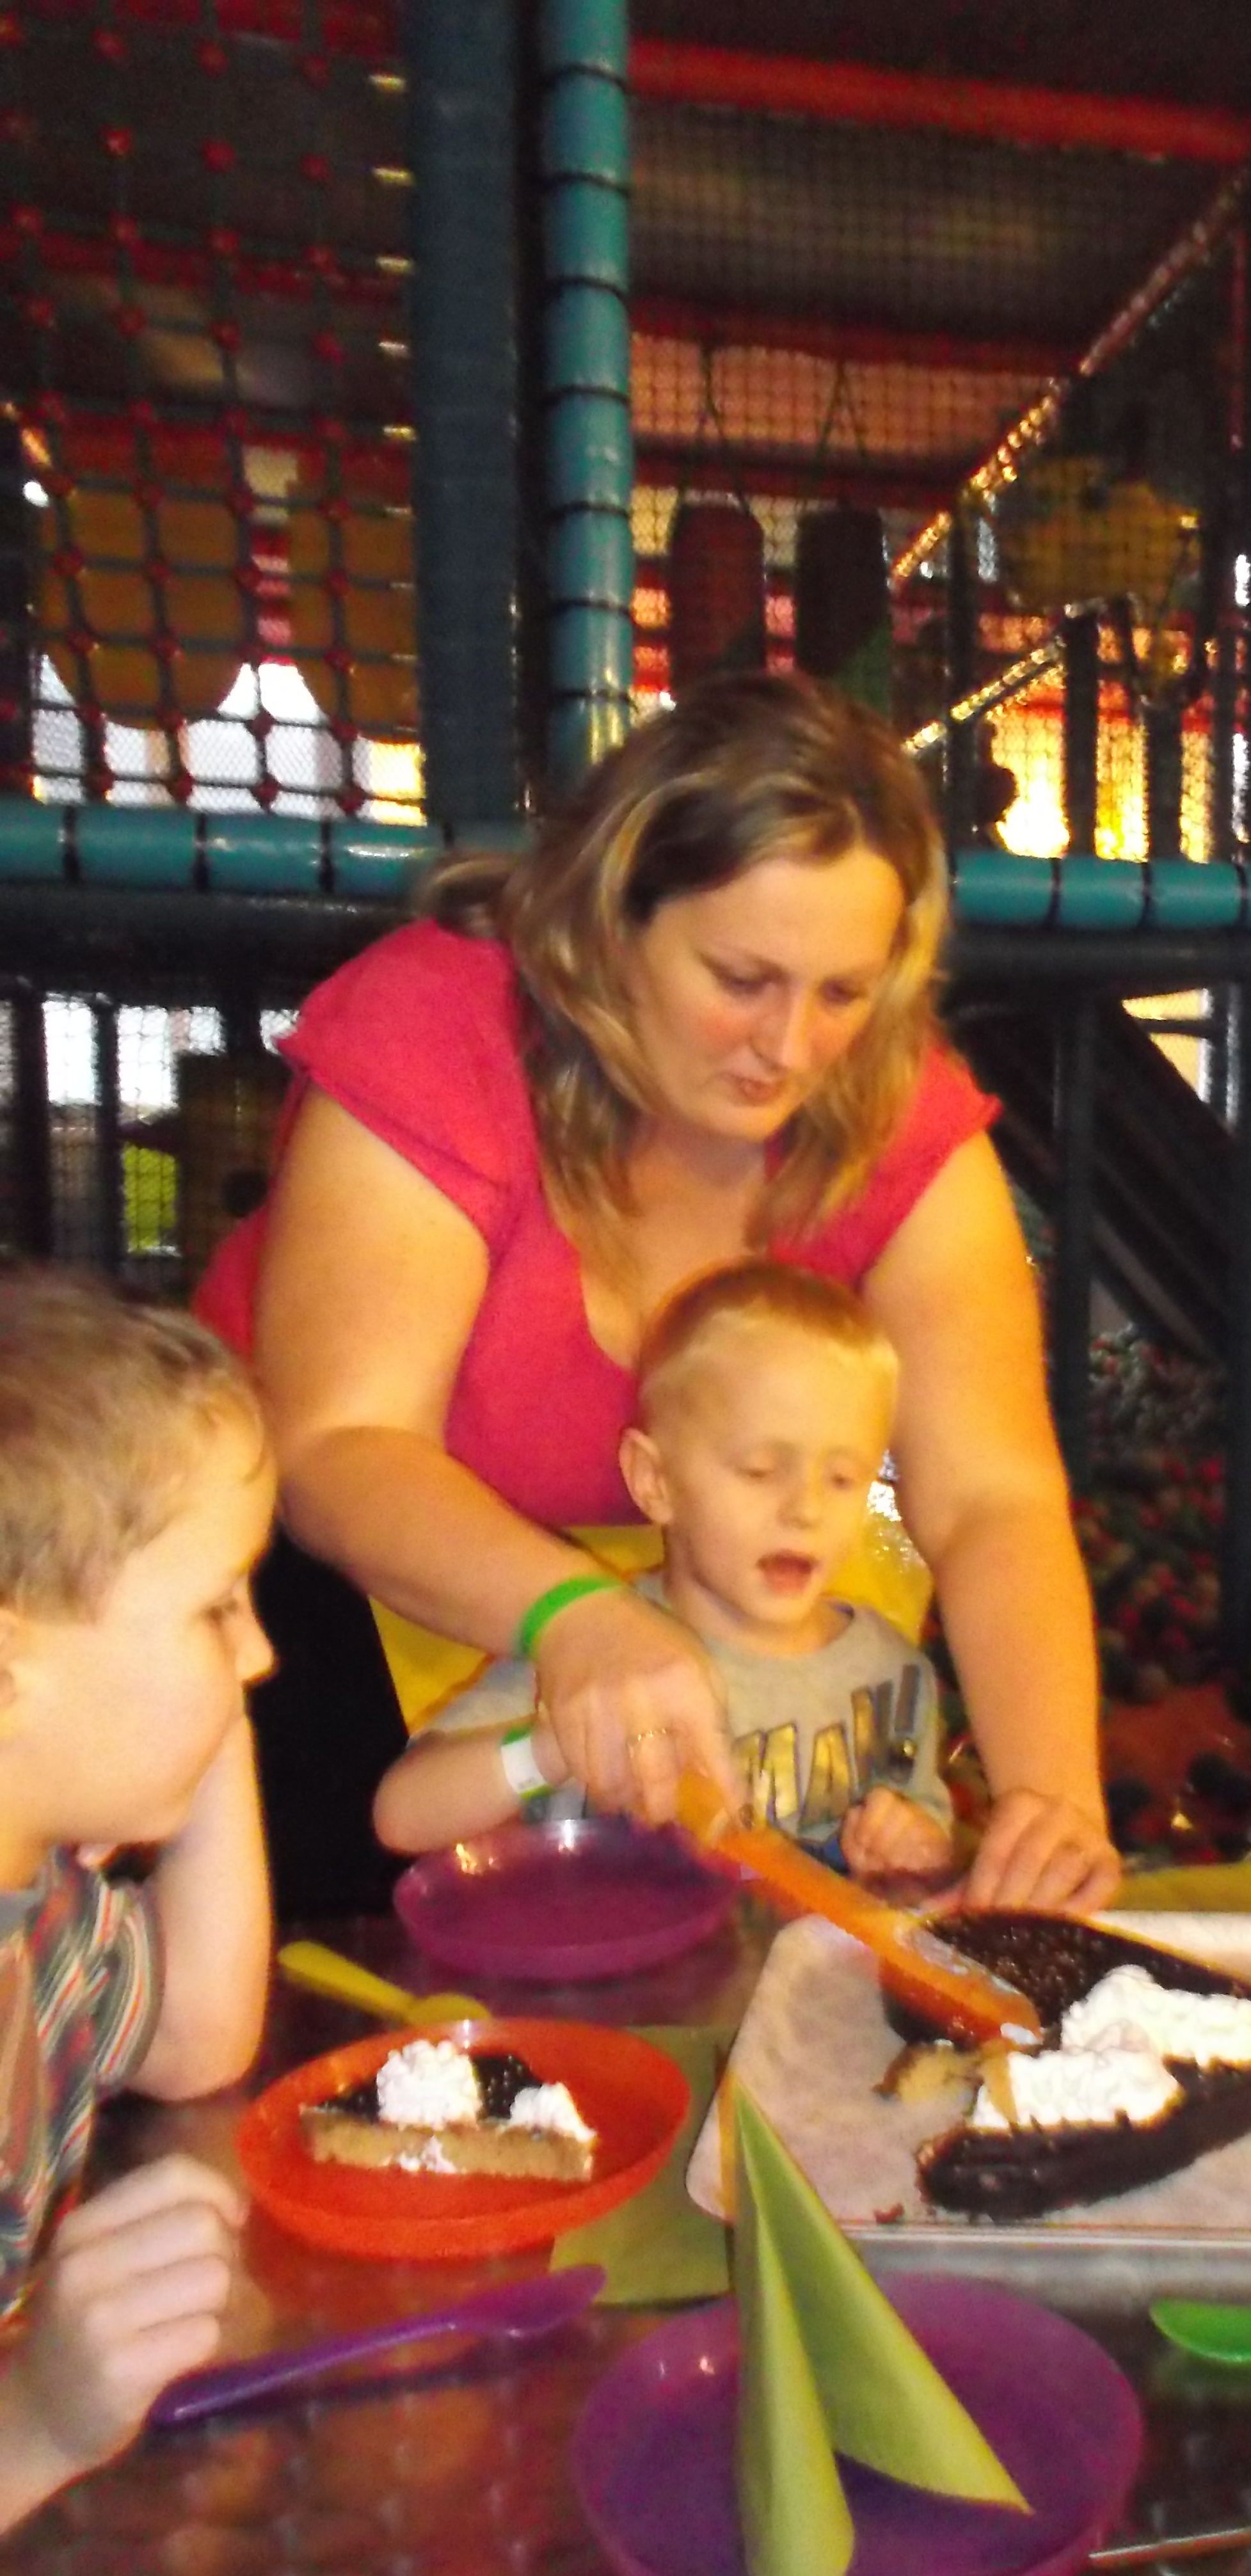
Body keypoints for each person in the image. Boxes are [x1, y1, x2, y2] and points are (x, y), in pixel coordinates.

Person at [198, 674, 1115, 1918]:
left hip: (658, 1592)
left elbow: (992, 1492)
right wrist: (575, 1615)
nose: (789, 1047)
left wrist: (1053, 1800)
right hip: (309, 1586)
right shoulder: (441, 1026)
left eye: (843, 993)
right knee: (354, 1952)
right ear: (612, 922)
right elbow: (339, 1445)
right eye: (742, 977)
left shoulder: (895, 1101)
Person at [375, 1260, 956, 1886]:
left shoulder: (893, 1675)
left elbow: (927, 1844)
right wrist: (550, 1749)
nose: (806, 1510)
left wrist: (912, 1844)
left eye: (843, 1479)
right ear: (656, 1482)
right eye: (761, 1471)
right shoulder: (603, 1658)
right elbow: (403, 1816)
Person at [0, 1269, 274, 2533]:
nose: (262, 1652)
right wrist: (36, 2423)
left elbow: (196, 2029)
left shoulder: (41, 1905)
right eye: (220, 1606)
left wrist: (202, 1705)